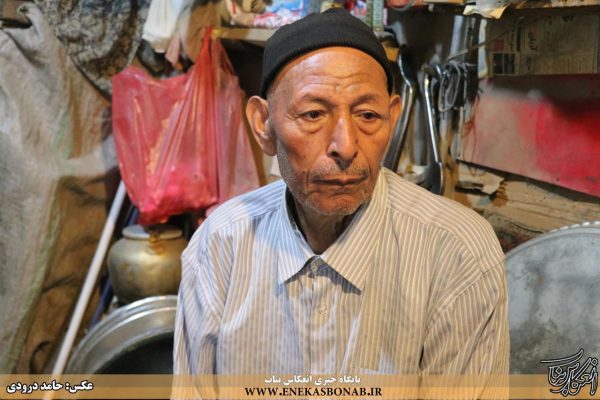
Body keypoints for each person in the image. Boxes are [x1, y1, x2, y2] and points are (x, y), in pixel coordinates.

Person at [173, 6, 508, 386]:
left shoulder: (457, 253)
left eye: (368, 115)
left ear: (392, 116)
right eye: (313, 114)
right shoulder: (220, 247)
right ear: (263, 125)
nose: (346, 146)